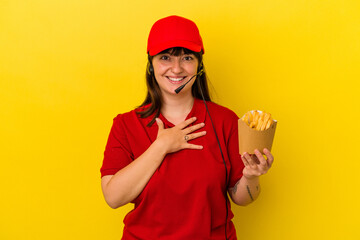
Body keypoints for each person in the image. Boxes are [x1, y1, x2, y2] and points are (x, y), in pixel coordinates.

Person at [100, 15, 274, 240]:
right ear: (151, 65)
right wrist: (161, 146)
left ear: (198, 65)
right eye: (165, 58)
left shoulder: (225, 121)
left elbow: (242, 198)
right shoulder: (126, 125)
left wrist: (251, 177)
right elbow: (113, 197)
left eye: (187, 58)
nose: (176, 68)